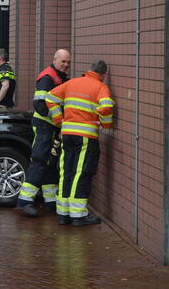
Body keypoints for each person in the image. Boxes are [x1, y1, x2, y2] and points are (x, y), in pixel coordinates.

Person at [46, 60, 114, 226]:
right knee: (81, 173)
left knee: (66, 171)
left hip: (67, 134)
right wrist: (105, 124)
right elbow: (106, 107)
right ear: (103, 75)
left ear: (89, 70)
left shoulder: (72, 83)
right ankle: (78, 216)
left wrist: (59, 120)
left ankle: (63, 214)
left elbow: (50, 97)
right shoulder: (100, 87)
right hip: (86, 136)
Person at [16, 49, 72, 217]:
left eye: (68, 62)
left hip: (52, 127)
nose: (66, 65)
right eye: (63, 61)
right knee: (40, 160)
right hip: (44, 126)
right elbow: (39, 105)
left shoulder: (59, 77)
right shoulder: (48, 78)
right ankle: (24, 202)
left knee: (50, 162)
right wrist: (58, 119)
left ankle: (51, 202)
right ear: (55, 60)